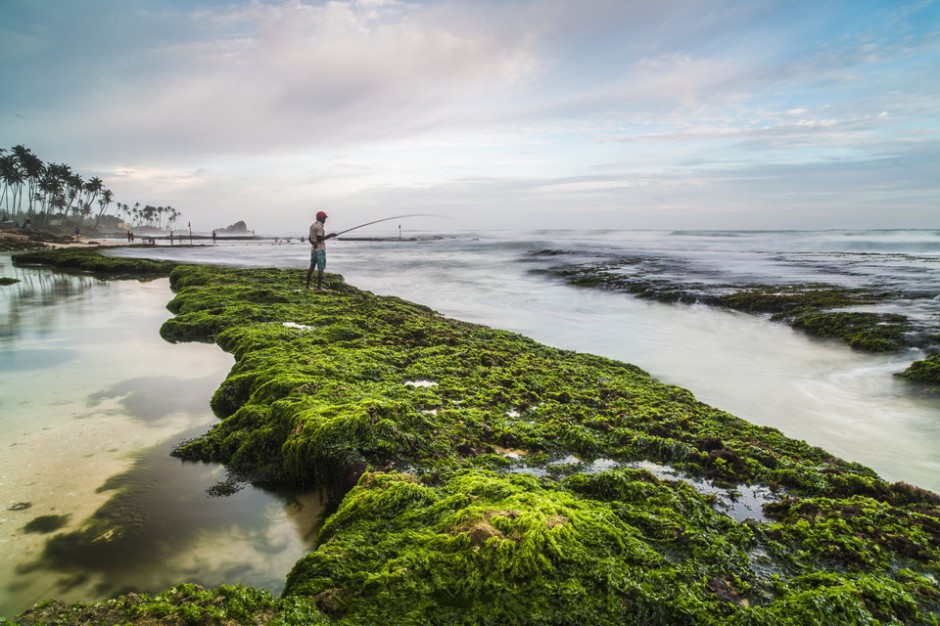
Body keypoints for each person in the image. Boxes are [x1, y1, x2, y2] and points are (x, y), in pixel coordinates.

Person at [306, 210, 336, 291]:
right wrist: (330, 235)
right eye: (324, 218)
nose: (325, 220)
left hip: (314, 249)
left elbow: (309, 238)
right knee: (320, 269)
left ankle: (307, 286)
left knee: (311, 268)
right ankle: (319, 287)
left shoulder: (312, 226)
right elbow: (320, 239)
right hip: (319, 250)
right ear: (321, 218)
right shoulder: (319, 227)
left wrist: (313, 243)